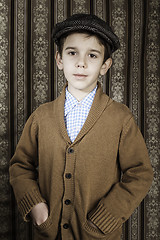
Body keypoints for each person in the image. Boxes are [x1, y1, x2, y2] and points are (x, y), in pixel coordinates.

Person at [9, 14, 153, 240]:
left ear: (105, 65)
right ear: (59, 59)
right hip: (49, 233)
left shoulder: (120, 118)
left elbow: (140, 173)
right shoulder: (41, 117)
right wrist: (35, 206)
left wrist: (107, 215)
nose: (81, 63)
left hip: (99, 234)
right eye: (72, 52)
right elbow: (20, 165)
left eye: (92, 55)